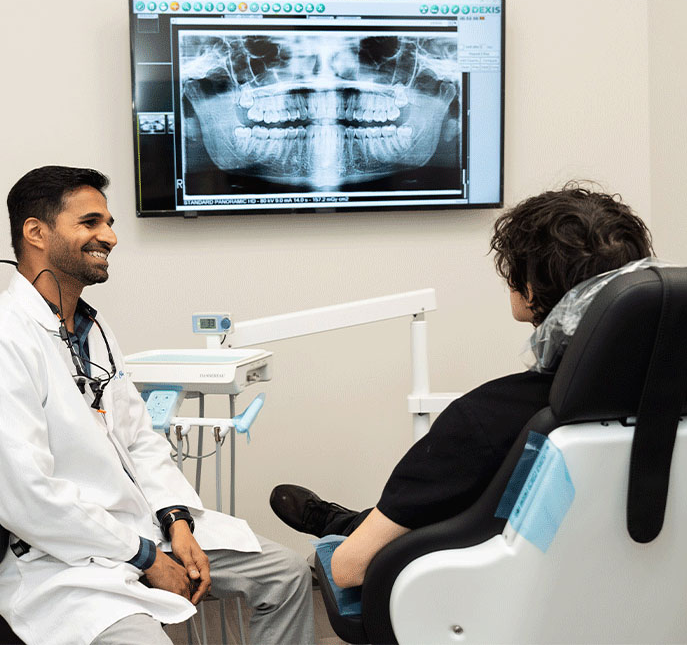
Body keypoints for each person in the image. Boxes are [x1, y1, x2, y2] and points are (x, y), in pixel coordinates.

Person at [0, 166, 314, 645]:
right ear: (35, 232)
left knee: (284, 573)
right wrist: (146, 558)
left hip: (139, 530)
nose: (110, 237)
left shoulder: (90, 331)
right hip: (60, 560)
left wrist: (176, 522)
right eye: (91, 223)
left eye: (109, 223)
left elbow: (139, 440)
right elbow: (29, 498)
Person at [270, 185, 654, 588]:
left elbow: (350, 570)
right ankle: (347, 519)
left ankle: (342, 525)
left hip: (501, 607)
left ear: (531, 288)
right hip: (630, 602)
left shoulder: (486, 419)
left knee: (359, 545)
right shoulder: (684, 411)